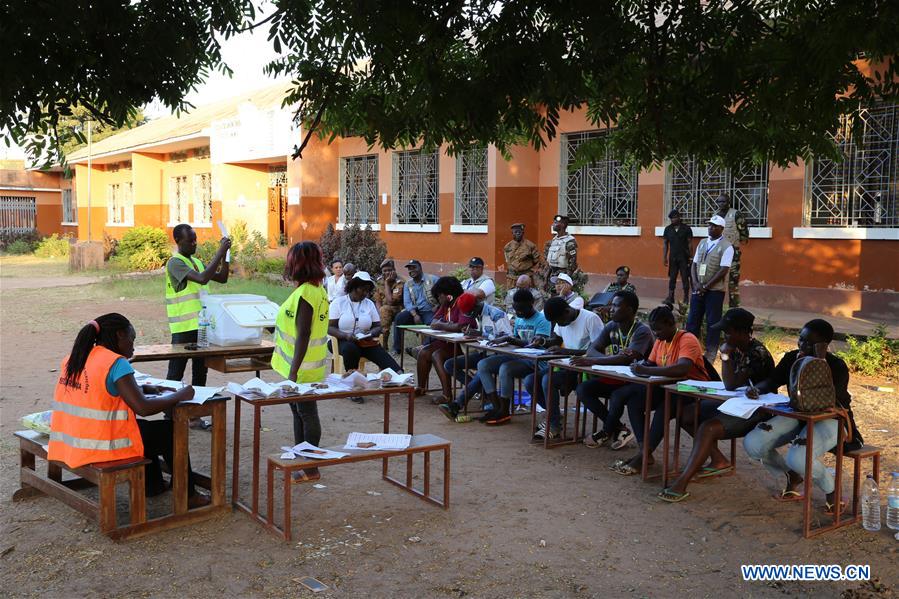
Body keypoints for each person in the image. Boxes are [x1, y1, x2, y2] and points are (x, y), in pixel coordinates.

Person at [48, 313, 210, 508]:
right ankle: (188, 495)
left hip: (72, 438)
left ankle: (154, 485)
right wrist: (181, 395)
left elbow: (96, 392)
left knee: (144, 430)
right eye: (132, 340)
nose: (133, 346)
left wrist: (139, 389)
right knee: (167, 431)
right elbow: (143, 408)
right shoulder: (116, 362)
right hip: (101, 446)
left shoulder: (75, 358)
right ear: (120, 335)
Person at [659, 308, 775, 502]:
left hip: (757, 410)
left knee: (707, 428)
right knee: (686, 415)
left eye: (728, 332)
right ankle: (719, 459)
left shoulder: (757, 352)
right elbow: (731, 386)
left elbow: (730, 383)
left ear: (741, 332)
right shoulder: (737, 347)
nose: (725, 336)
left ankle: (682, 482)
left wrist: (725, 356)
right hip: (737, 402)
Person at [743, 320, 856, 514]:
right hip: (798, 415)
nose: (801, 345)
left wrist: (819, 362)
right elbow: (773, 380)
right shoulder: (792, 358)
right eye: (801, 339)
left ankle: (832, 490)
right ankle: (792, 475)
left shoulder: (835, 365)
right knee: (753, 443)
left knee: (798, 457)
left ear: (824, 345)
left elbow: (828, 399)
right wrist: (757, 389)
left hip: (831, 419)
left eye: (808, 343)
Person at [609, 305, 709, 476]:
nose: (656, 334)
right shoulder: (660, 341)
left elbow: (682, 369)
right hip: (668, 387)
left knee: (665, 407)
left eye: (659, 330)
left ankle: (643, 456)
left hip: (691, 390)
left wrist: (647, 370)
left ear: (671, 324)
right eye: (653, 330)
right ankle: (644, 452)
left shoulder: (687, 339)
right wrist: (639, 365)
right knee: (635, 402)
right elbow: (651, 363)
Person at [272, 241, 330, 483]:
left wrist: (293, 373)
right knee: (299, 412)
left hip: (302, 370)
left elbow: (304, 333)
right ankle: (302, 460)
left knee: (306, 413)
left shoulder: (307, 293)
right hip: (304, 368)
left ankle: (310, 468)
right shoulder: (314, 290)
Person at [165, 223, 230, 430]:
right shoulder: (175, 263)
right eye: (190, 240)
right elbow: (202, 279)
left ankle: (195, 416)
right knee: (175, 374)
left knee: (200, 372)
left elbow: (222, 277)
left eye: (195, 239)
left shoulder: (197, 262)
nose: (194, 243)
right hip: (183, 328)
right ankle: (169, 418)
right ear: (178, 241)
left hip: (202, 326)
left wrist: (226, 255)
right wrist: (220, 251)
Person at [574, 290, 655, 450]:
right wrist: (604, 358)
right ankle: (619, 428)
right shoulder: (611, 326)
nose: (611, 309)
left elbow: (626, 359)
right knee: (583, 389)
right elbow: (592, 349)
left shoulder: (642, 331)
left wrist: (594, 360)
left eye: (616, 306)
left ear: (630, 310)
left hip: (640, 383)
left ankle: (606, 431)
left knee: (618, 395)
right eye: (611, 305)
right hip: (618, 378)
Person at [527, 297, 603, 440]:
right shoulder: (561, 319)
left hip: (584, 369)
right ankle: (554, 414)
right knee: (530, 380)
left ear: (567, 311)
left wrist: (566, 351)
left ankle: (553, 425)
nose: (560, 325)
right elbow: (557, 340)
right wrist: (542, 341)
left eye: (560, 321)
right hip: (566, 365)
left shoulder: (591, 319)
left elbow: (597, 351)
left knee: (547, 380)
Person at [476, 289, 552, 425]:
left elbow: (538, 345)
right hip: (519, 356)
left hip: (536, 361)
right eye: (517, 310)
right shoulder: (519, 319)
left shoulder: (542, 320)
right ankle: (496, 406)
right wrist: (504, 341)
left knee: (506, 368)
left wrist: (510, 339)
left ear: (532, 304)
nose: (519, 313)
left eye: (522, 310)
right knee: (483, 364)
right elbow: (517, 338)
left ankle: (504, 411)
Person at [438, 291, 513, 422]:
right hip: (484, 353)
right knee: (450, 364)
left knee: (482, 367)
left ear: (477, 304)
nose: (470, 316)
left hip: (501, 355)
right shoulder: (478, 314)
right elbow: (483, 336)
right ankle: (482, 391)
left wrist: (481, 335)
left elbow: (508, 339)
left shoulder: (497, 315)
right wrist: (473, 335)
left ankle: (458, 403)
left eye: (471, 313)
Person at [328, 271, 401, 391]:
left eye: (367, 290)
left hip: (364, 341)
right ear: (353, 287)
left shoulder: (369, 304)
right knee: (351, 349)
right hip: (341, 340)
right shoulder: (338, 303)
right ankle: (354, 385)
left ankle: (400, 377)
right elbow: (330, 328)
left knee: (381, 354)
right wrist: (345, 335)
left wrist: (371, 333)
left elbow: (378, 326)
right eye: (362, 289)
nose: (365, 293)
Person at [413, 276, 476, 402]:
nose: (438, 299)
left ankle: (447, 395)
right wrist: (448, 325)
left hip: (464, 346)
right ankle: (421, 387)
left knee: (437, 355)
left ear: (448, 295)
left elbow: (461, 326)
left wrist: (443, 325)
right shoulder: (446, 305)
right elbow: (433, 322)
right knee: (424, 352)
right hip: (449, 343)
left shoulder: (461, 302)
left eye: (439, 296)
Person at [686, 214, 733, 361]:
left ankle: (710, 353)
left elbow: (723, 270)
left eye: (714, 226)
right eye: (709, 225)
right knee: (693, 319)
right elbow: (694, 264)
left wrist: (705, 286)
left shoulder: (727, 247)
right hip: (698, 288)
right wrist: (695, 284)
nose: (710, 228)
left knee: (713, 322)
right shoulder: (702, 243)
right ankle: (689, 349)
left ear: (721, 228)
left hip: (714, 291)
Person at [391, 260, 438, 355]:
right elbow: (407, 302)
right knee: (399, 318)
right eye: (409, 269)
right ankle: (397, 348)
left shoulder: (433, 279)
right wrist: (415, 315)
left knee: (432, 323)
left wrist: (438, 306)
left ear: (420, 268)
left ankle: (423, 348)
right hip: (416, 312)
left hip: (430, 310)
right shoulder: (408, 284)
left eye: (414, 267)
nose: (411, 270)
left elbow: (443, 295)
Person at [716, 193, 749, 308]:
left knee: (733, 280)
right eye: (719, 202)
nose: (721, 204)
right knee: (716, 278)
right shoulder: (716, 216)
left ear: (728, 202)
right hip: (718, 252)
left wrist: (740, 242)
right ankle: (716, 305)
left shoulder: (736, 214)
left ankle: (734, 306)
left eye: (724, 201)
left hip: (733, 252)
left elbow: (744, 231)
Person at [542, 214, 582, 294]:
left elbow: (572, 265)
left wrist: (565, 281)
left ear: (563, 225)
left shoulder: (569, 242)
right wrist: (546, 279)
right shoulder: (554, 241)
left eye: (556, 223)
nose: (553, 224)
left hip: (563, 275)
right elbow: (550, 264)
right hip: (552, 276)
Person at [662, 209, 694, 304]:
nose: (673, 220)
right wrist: (664, 257)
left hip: (684, 257)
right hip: (673, 257)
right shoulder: (668, 229)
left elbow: (690, 244)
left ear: (679, 218)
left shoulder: (686, 228)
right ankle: (670, 297)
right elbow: (665, 244)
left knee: (685, 277)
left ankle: (686, 298)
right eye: (672, 218)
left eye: (675, 217)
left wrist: (691, 257)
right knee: (672, 277)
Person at [372, 259, 405, 351]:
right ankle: (383, 344)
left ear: (394, 270)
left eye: (389, 270)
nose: (387, 273)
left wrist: (387, 283)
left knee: (385, 309)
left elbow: (391, 301)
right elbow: (377, 299)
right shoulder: (379, 281)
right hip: (384, 310)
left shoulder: (400, 282)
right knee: (383, 310)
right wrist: (378, 313)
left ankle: (383, 345)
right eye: (384, 271)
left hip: (398, 310)